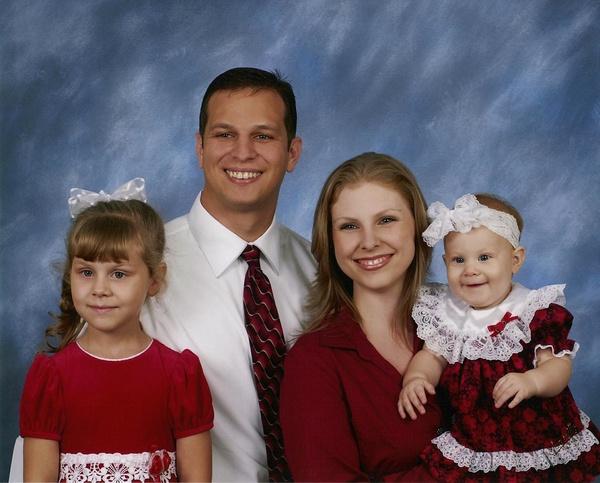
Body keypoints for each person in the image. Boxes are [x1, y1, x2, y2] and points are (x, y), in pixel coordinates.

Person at [142, 68, 316, 482]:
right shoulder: (137, 271)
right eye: (224, 135)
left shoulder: (322, 271)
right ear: (200, 149)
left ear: (292, 153)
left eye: (263, 136)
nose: (243, 153)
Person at [19, 179, 213, 482]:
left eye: (118, 274)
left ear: (154, 279)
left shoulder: (180, 375)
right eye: (86, 272)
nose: (99, 289)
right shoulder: (51, 378)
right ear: (70, 276)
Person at [398, 193, 600, 481]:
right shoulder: (448, 314)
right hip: (474, 436)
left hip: (535, 434)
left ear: (515, 260)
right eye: (458, 260)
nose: (470, 270)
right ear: (445, 262)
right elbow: (432, 355)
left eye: (484, 257)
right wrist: (417, 378)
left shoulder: (532, 311)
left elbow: (558, 365)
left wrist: (533, 380)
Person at [280, 152, 445, 481]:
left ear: (417, 226)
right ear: (331, 241)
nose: (369, 242)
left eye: (386, 220)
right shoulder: (314, 361)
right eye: (349, 226)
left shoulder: (469, 323)